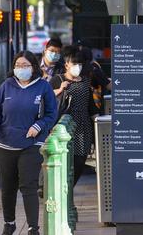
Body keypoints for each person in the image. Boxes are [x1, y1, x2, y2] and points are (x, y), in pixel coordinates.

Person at [0, 51, 58, 235]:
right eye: (18, 65)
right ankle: (9, 223)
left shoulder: (43, 87)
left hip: (31, 143)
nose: (21, 69)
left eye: (25, 65)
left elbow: (51, 113)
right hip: (5, 144)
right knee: (8, 186)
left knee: (28, 185)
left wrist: (39, 126)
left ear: (33, 67)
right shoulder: (6, 86)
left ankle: (33, 227)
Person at [49, 49, 100, 185]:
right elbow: (46, 97)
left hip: (83, 128)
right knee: (62, 159)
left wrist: (98, 124)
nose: (78, 67)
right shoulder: (57, 80)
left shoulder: (85, 82)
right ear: (66, 65)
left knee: (79, 162)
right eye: (74, 63)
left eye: (80, 64)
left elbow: (91, 106)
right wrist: (60, 90)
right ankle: (55, 188)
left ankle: (68, 188)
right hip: (62, 127)